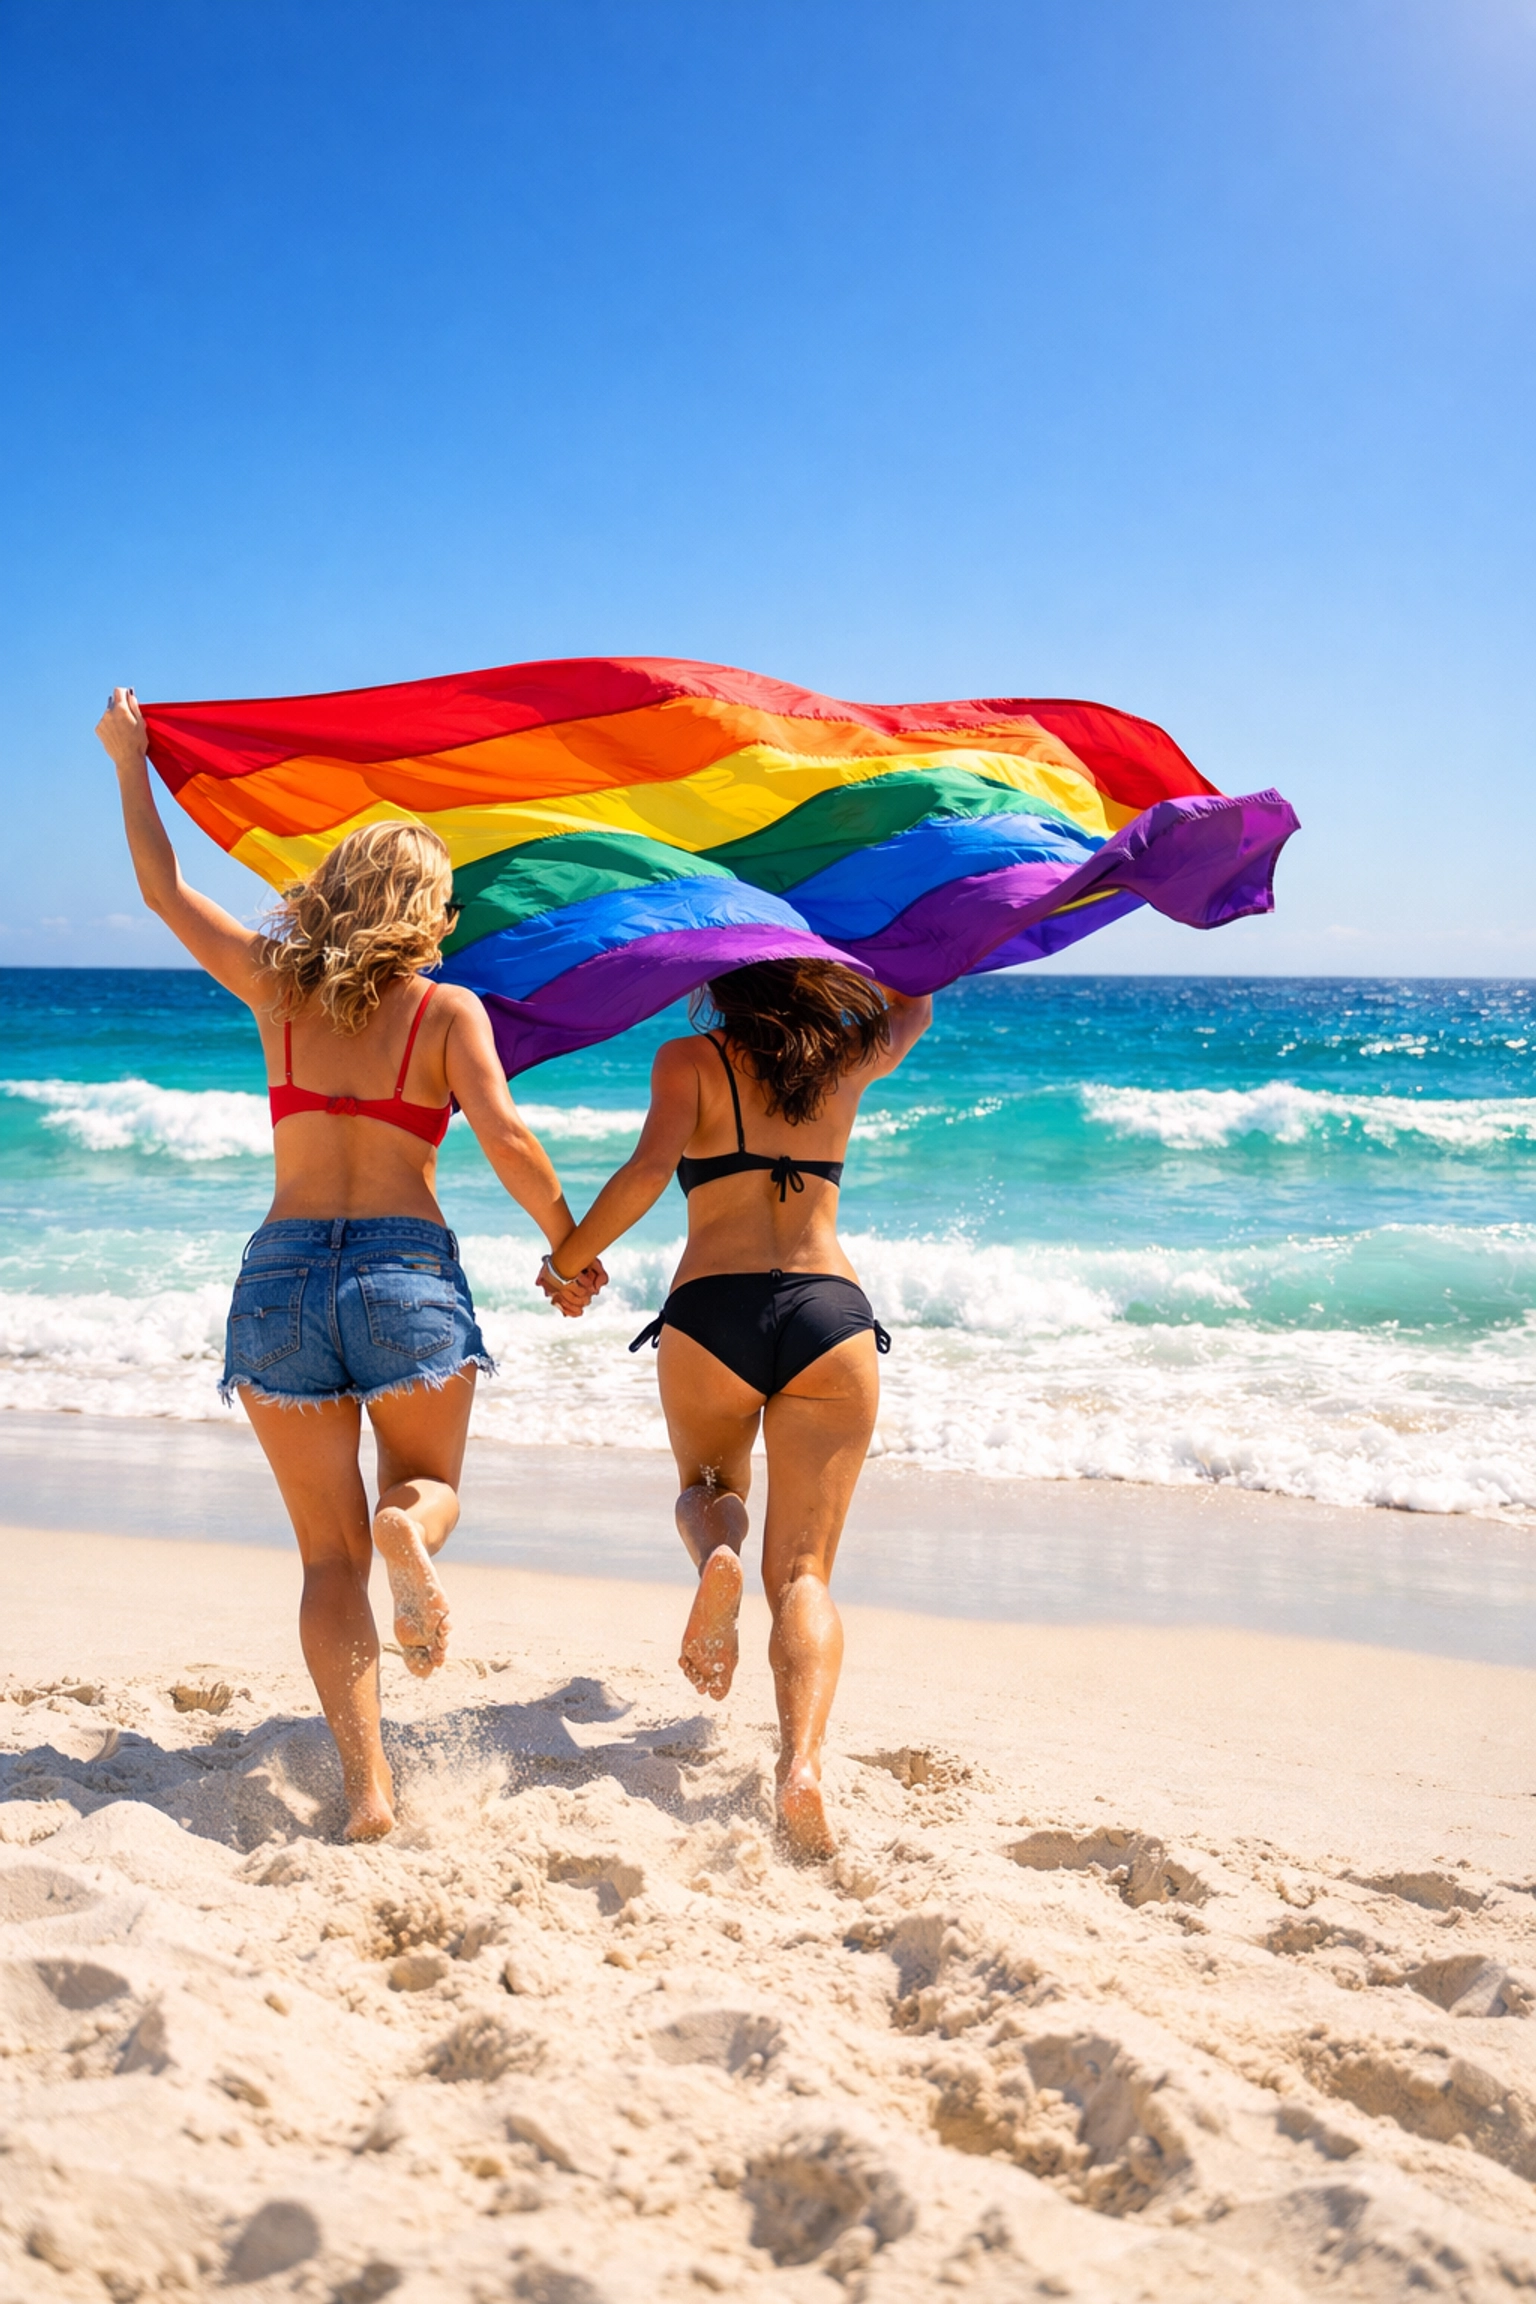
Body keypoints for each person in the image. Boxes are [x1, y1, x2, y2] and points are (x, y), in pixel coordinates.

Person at [95, 688, 603, 1842]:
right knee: (422, 1493)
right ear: (424, 909)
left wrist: (131, 761)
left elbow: (163, 891)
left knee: (326, 1557)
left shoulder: (275, 991)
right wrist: (570, 1248)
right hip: (403, 1274)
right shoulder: (446, 1012)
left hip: (279, 1278)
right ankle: (413, 1532)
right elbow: (510, 1141)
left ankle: (369, 1792)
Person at [537, 958, 930, 1857]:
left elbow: (645, 1172)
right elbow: (919, 1002)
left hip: (713, 1312)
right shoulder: (852, 1051)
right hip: (828, 1316)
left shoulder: (689, 1061)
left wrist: (569, 1260)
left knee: (707, 1484)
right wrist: (882, 935)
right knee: (803, 1575)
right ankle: (801, 1767)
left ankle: (717, 1548)